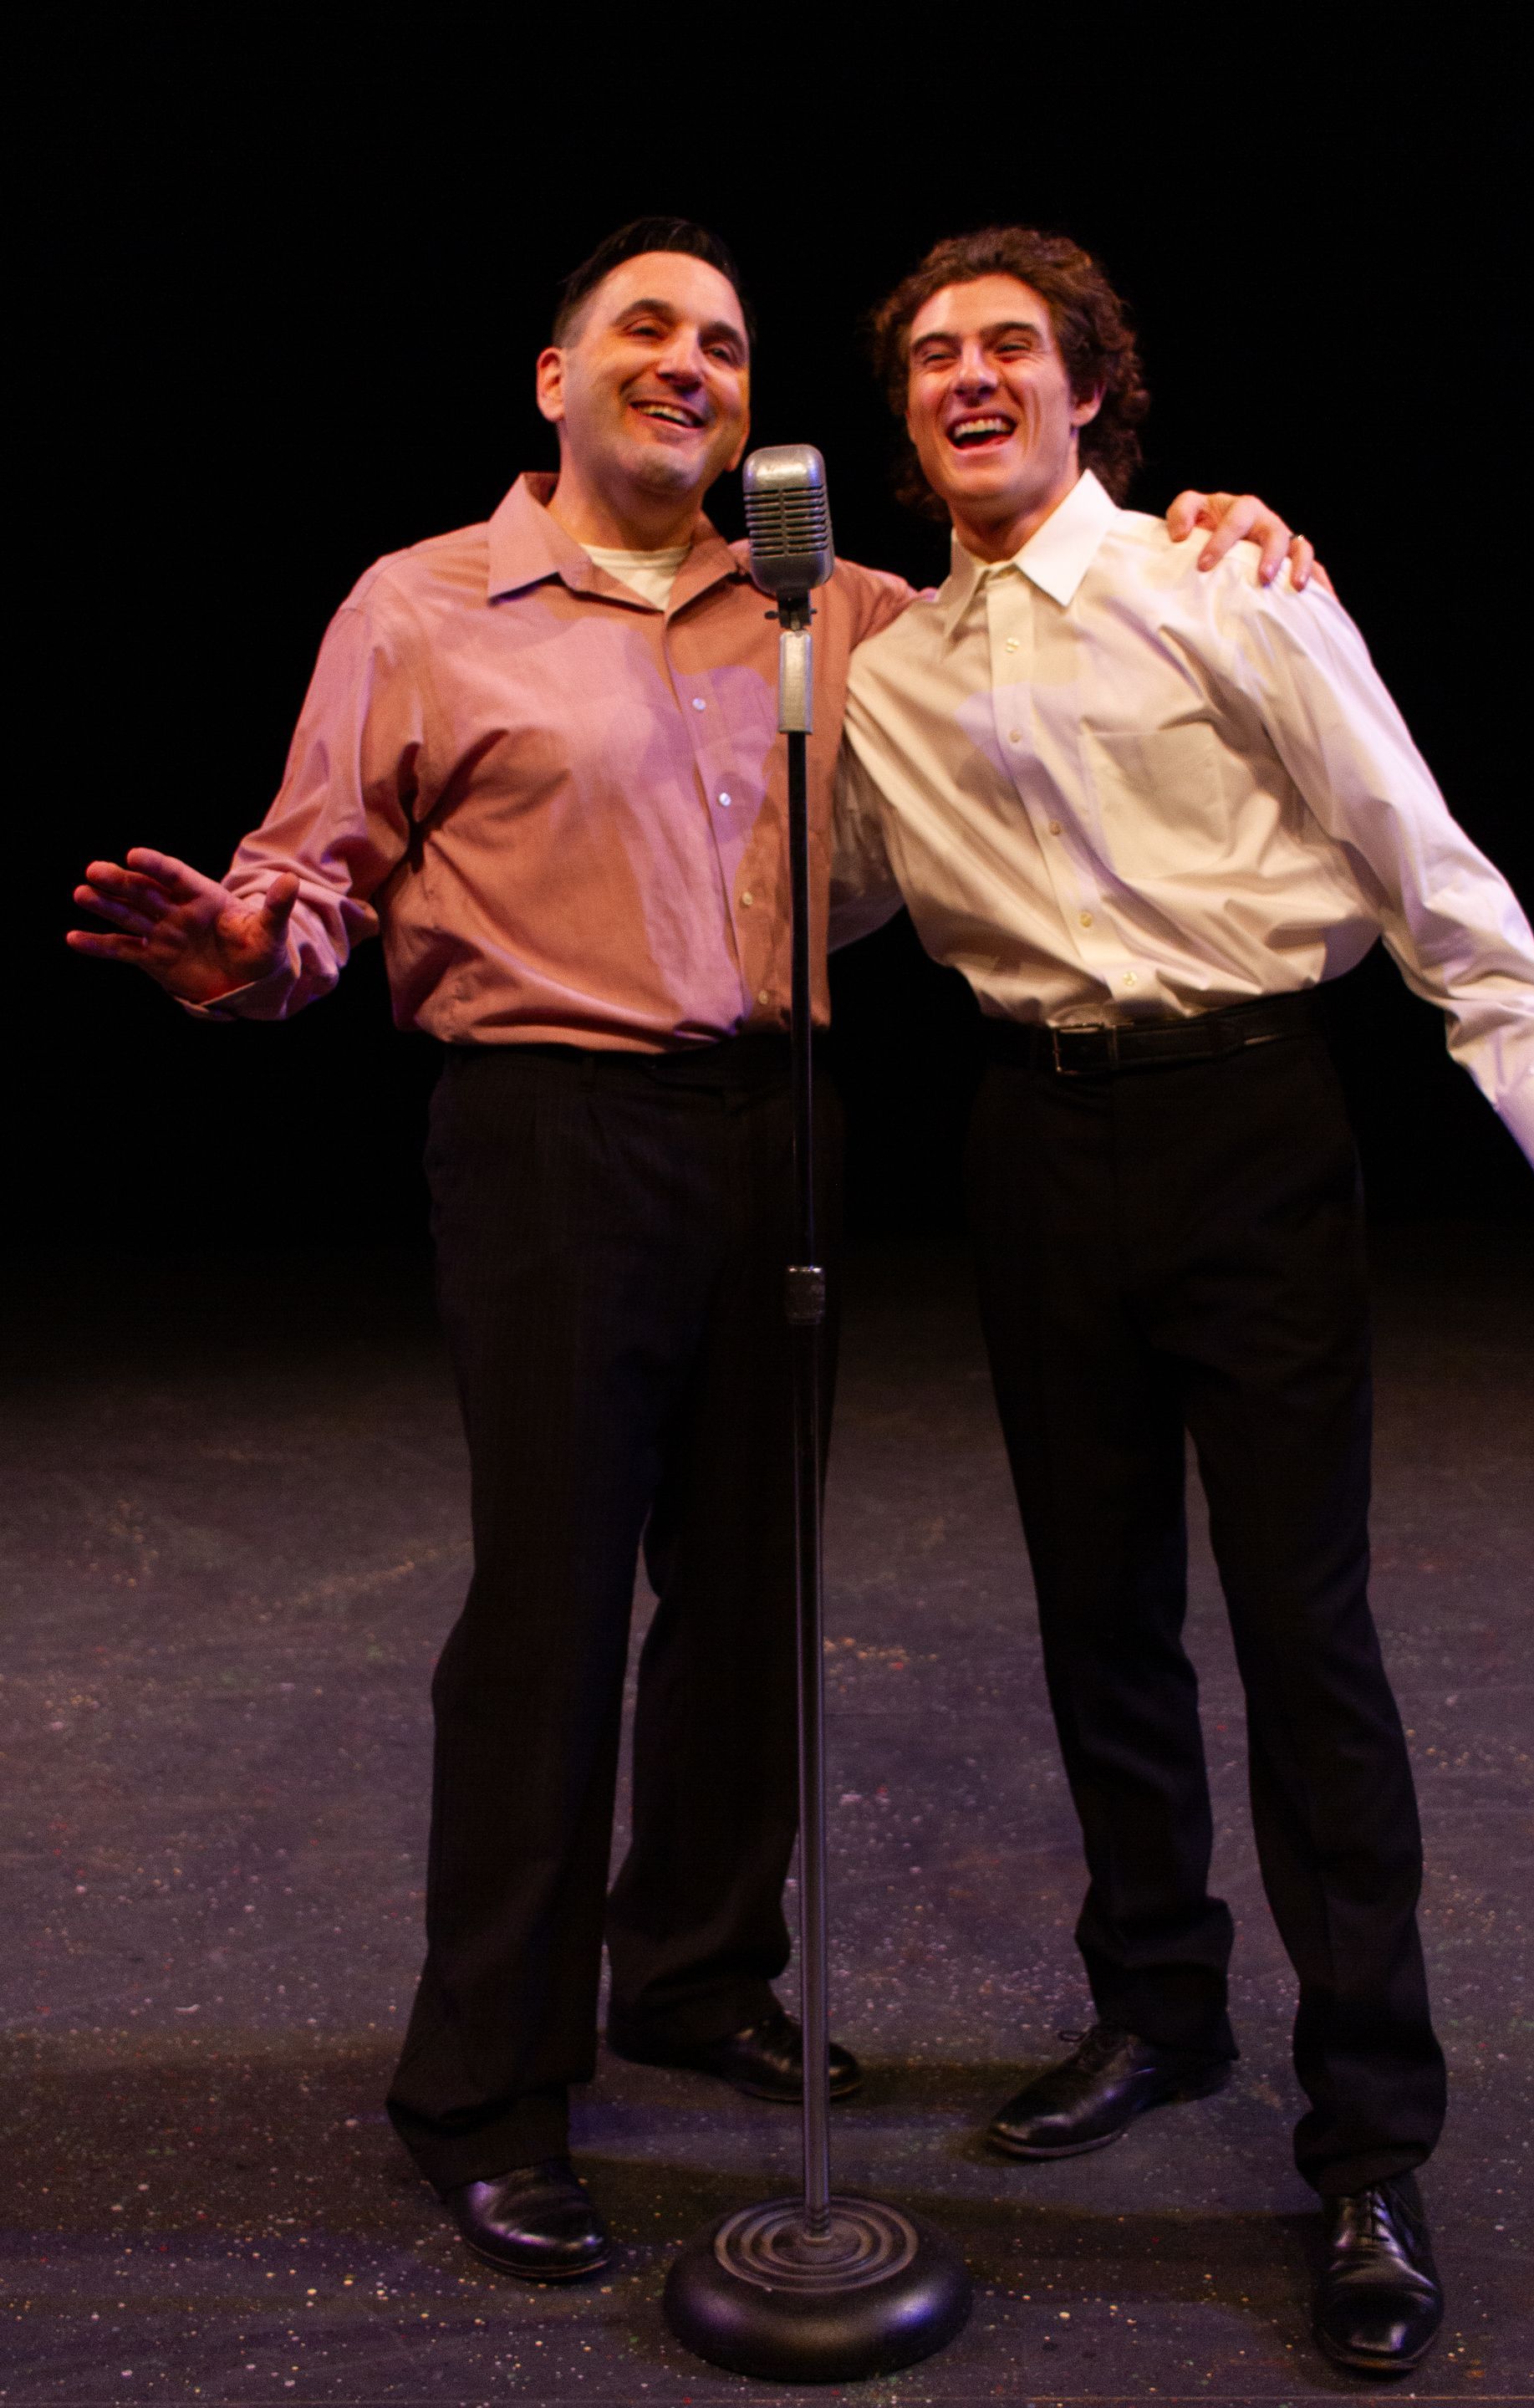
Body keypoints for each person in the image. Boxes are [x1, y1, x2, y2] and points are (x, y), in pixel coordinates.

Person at [67, 216, 1308, 2287]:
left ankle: (698, 1976)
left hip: (781, 1133)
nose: (691, 363)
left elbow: (1046, 589)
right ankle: (484, 2086)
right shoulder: (425, 603)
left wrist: (1214, 521)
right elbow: (313, 881)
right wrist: (240, 954)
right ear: (549, 383)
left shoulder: (833, 605)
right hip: (555, 1133)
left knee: (748, 1592)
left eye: (723, 344)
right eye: (644, 329)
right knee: (549, 1615)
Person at [833, 226, 1534, 2380]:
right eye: (931, 357)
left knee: (1302, 1636)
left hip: (1250, 1130)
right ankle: (1159, 2012)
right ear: (906, 420)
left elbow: (1406, 836)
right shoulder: (882, 666)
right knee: (1100, 1620)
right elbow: (814, 899)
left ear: (1092, 393)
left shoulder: (1225, 578)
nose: (968, 376)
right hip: (1028, 1144)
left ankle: (1368, 2137)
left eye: (1010, 348)